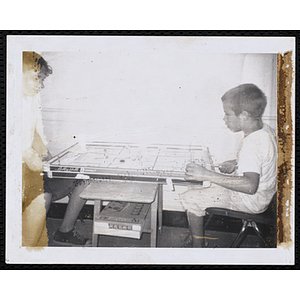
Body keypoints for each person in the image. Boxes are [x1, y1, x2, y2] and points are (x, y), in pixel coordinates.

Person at [180, 84, 277, 247]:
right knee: (204, 188)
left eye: (227, 114)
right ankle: (197, 237)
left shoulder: (252, 144)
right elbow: (263, 159)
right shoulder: (265, 131)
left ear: (244, 115)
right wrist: (237, 163)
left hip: (251, 200)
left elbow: (250, 186)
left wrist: (205, 174)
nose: (224, 119)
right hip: (265, 196)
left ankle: (198, 248)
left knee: (189, 198)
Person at [22, 52, 90, 246]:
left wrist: (50, 158)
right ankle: (26, 249)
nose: (41, 86)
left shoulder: (30, 100)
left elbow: (34, 133)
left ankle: (65, 231)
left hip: (34, 167)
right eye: (38, 79)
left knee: (83, 179)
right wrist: (28, 157)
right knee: (43, 195)